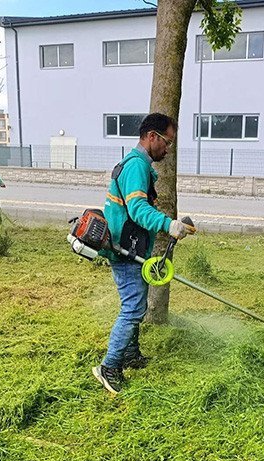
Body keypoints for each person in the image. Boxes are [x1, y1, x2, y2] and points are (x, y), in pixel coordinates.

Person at [92, 113, 195, 395]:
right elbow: (137, 209)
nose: (168, 148)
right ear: (152, 136)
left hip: (132, 247)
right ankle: (109, 366)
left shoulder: (139, 165)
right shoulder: (136, 166)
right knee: (134, 308)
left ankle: (130, 353)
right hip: (124, 249)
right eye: (167, 142)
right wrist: (168, 224)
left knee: (135, 302)